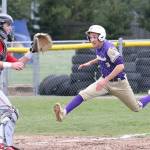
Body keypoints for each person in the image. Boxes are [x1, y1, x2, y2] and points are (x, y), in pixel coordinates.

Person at [53, 24, 150, 122]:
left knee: (136, 108)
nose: (91, 39)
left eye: (94, 37)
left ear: (101, 37)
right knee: (83, 94)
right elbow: (101, 58)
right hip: (105, 81)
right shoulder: (98, 47)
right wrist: (89, 63)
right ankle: (63, 113)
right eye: (90, 37)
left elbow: (121, 66)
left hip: (120, 83)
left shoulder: (109, 49)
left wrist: (105, 80)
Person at [0, 13, 35, 150]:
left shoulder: (2, 45)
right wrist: (10, 65)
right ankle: (3, 145)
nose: (10, 28)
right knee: (10, 112)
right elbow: (11, 65)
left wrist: (32, 51)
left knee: (10, 112)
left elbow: (19, 64)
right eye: (7, 25)